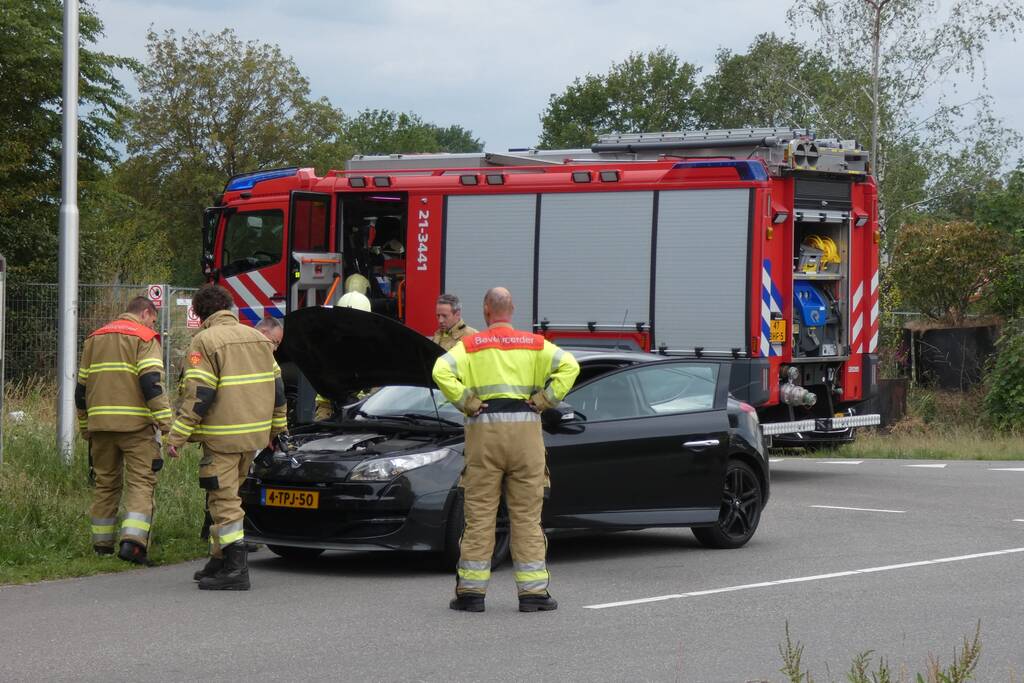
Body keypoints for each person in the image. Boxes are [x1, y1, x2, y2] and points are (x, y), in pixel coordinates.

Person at [432, 287, 579, 613]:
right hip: (526, 439)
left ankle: (471, 594)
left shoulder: (471, 345)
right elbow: (570, 367)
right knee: (527, 518)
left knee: (480, 517)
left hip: (484, 438)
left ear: (486, 310)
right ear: (512, 310)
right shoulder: (535, 344)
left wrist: (467, 402)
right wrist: (545, 400)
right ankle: (533, 594)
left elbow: (440, 371)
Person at [166, 285, 287, 591]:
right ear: (229, 307)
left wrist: (177, 435)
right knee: (227, 498)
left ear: (199, 314)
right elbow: (278, 390)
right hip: (253, 437)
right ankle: (219, 560)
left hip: (222, 438)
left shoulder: (205, 340)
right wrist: (278, 431)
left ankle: (236, 568)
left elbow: (199, 393)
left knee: (223, 500)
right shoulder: (258, 338)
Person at [76, 296, 172, 565]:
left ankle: (102, 545)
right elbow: (151, 383)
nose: (153, 325)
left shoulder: (94, 338)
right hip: (136, 428)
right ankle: (133, 544)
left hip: (100, 427)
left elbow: (81, 389)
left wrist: (85, 426)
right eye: (153, 320)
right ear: (145, 313)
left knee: (105, 484)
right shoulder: (145, 338)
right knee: (141, 483)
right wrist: (167, 424)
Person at [198, 315, 284, 551]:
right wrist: (276, 431)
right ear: (263, 333)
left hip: (230, 433)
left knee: (224, 489)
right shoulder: (259, 354)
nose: (275, 348)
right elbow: (278, 395)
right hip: (240, 434)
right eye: (275, 342)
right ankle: (230, 550)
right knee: (228, 490)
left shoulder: (237, 351)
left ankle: (222, 544)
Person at [314, 285, 371, 420]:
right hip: (335, 409)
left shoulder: (373, 346)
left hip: (365, 413)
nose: (348, 325)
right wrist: (323, 417)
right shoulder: (331, 344)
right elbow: (325, 385)